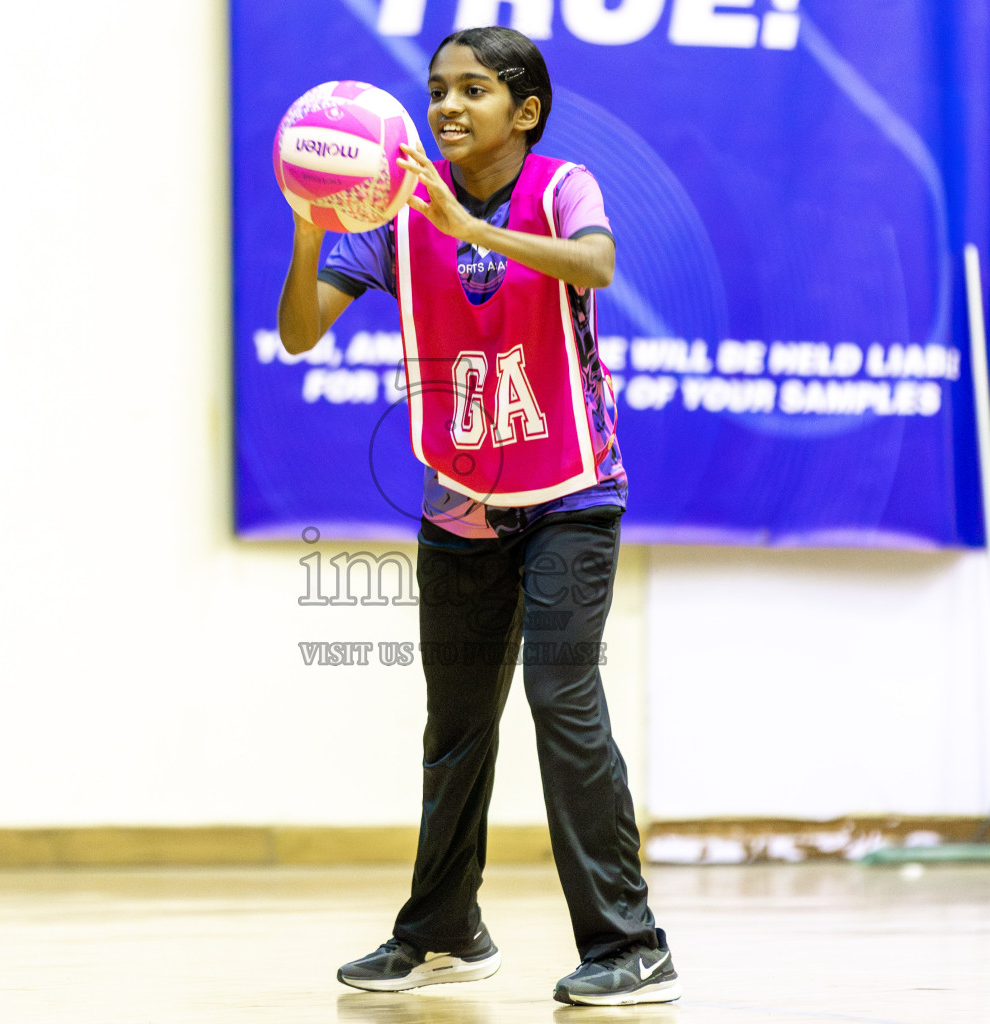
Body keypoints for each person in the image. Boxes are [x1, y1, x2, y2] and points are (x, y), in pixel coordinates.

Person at [276, 26, 679, 1008]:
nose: (446, 105)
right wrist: (308, 225)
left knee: (560, 698)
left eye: (470, 89)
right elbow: (295, 333)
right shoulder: (392, 215)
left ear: (523, 111)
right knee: (454, 724)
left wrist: (473, 227)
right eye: (435, 90)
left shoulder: (562, 185)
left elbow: (593, 267)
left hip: (569, 496)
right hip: (459, 502)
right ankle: (442, 931)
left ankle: (630, 944)